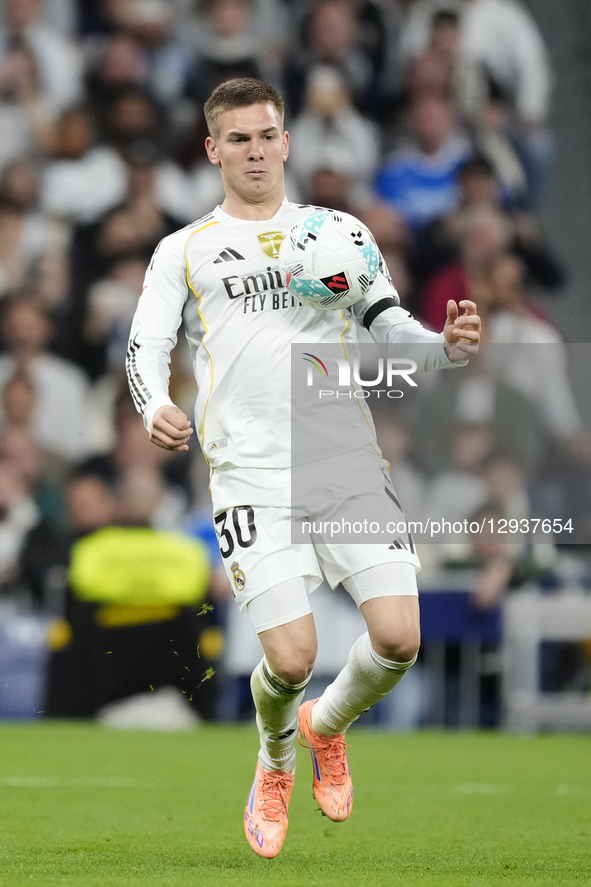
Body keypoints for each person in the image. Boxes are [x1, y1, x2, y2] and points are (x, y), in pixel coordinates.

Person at [126, 77, 480, 859]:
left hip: (342, 460)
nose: (255, 150)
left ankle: (326, 724)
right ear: (214, 150)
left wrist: (445, 352)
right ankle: (275, 756)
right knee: (290, 657)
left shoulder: (340, 233)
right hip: (247, 472)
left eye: (267, 135)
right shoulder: (182, 249)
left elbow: (390, 323)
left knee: (397, 639)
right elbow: (145, 345)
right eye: (238, 139)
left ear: (286, 142)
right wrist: (154, 405)